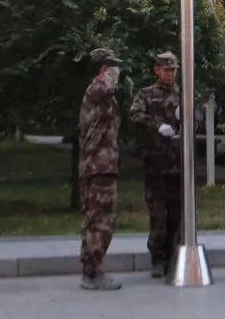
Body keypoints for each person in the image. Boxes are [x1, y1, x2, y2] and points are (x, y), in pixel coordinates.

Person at [128, 51, 183, 278]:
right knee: (158, 215)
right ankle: (157, 259)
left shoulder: (182, 94)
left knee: (176, 216)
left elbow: (193, 125)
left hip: (178, 166)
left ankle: (173, 256)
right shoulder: (147, 94)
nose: (170, 74)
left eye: (173, 70)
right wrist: (157, 125)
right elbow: (134, 115)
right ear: (157, 70)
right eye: (166, 70)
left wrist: (187, 117)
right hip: (155, 165)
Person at [77, 47, 123, 291]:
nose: (117, 71)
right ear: (103, 69)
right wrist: (109, 78)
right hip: (97, 167)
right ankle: (93, 272)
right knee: (99, 222)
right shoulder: (96, 89)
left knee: (103, 221)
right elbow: (105, 88)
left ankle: (93, 269)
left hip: (104, 167)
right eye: (112, 67)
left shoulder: (105, 96)